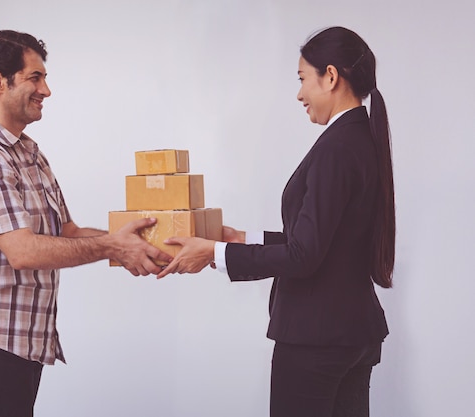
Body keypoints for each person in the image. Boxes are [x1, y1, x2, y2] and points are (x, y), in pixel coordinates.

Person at [158, 26, 395, 417]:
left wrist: (215, 253)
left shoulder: (336, 148)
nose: (300, 94)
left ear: (331, 77)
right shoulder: (360, 141)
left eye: (303, 79)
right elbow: (324, 241)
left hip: (316, 340)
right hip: (353, 333)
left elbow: (304, 256)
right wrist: (240, 237)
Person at [0, 29, 172, 417]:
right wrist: (115, 247)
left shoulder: (29, 153)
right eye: (35, 77)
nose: (46, 90)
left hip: (23, 342)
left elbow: (66, 232)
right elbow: (23, 251)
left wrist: (136, 240)